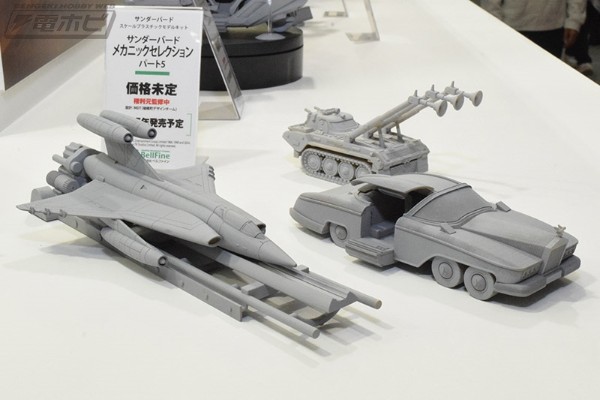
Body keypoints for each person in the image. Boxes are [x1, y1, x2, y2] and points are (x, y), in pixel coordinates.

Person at [481, 0, 587, 58]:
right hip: (513, 27)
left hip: (553, 26)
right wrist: (495, 24)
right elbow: (490, 3)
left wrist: (574, 21)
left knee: (549, 79)